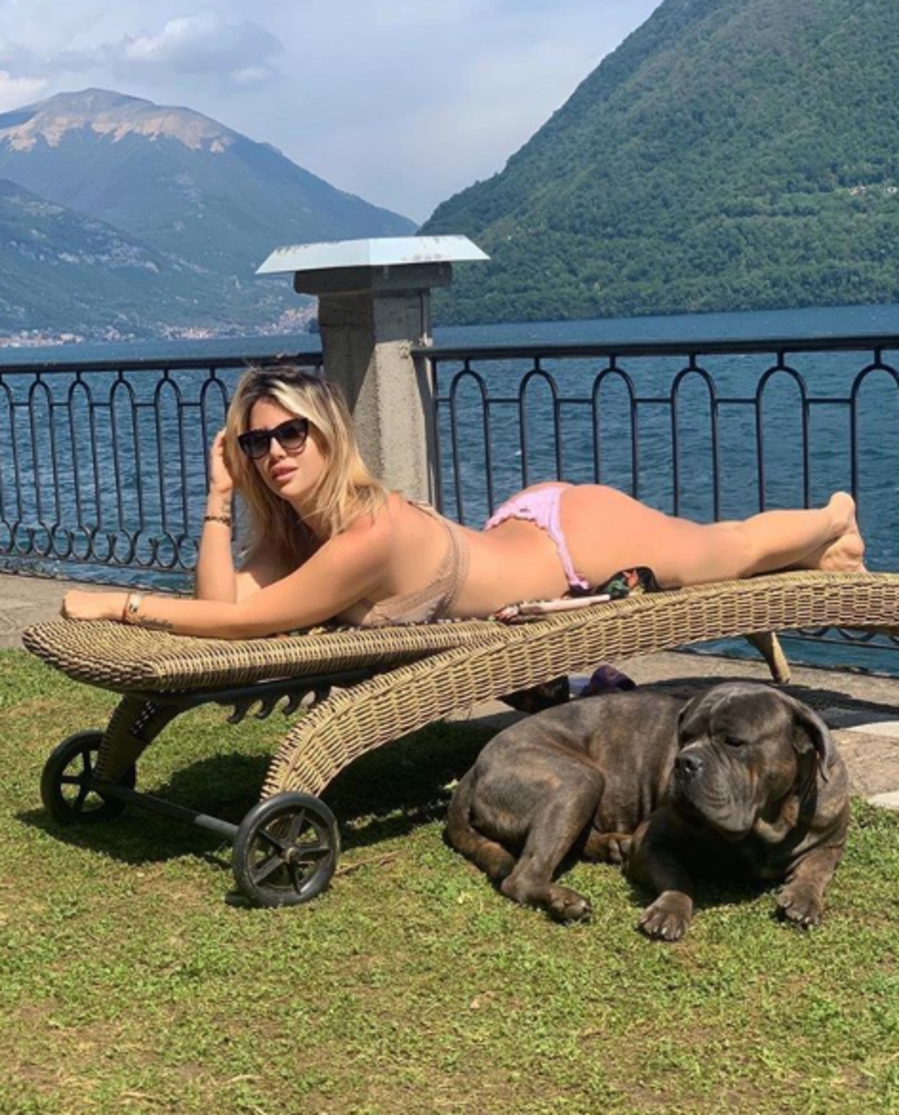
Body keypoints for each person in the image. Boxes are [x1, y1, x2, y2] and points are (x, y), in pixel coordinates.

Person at [61, 366, 867, 639]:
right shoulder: (300, 530)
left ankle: (832, 519)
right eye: (255, 442)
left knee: (724, 550)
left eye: (291, 433)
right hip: (511, 534)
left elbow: (244, 622)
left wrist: (114, 602)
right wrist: (217, 499)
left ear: (329, 434)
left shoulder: (369, 531)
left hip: (573, 542)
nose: (274, 452)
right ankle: (822, 549)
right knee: (723, 553)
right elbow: (222, 609)